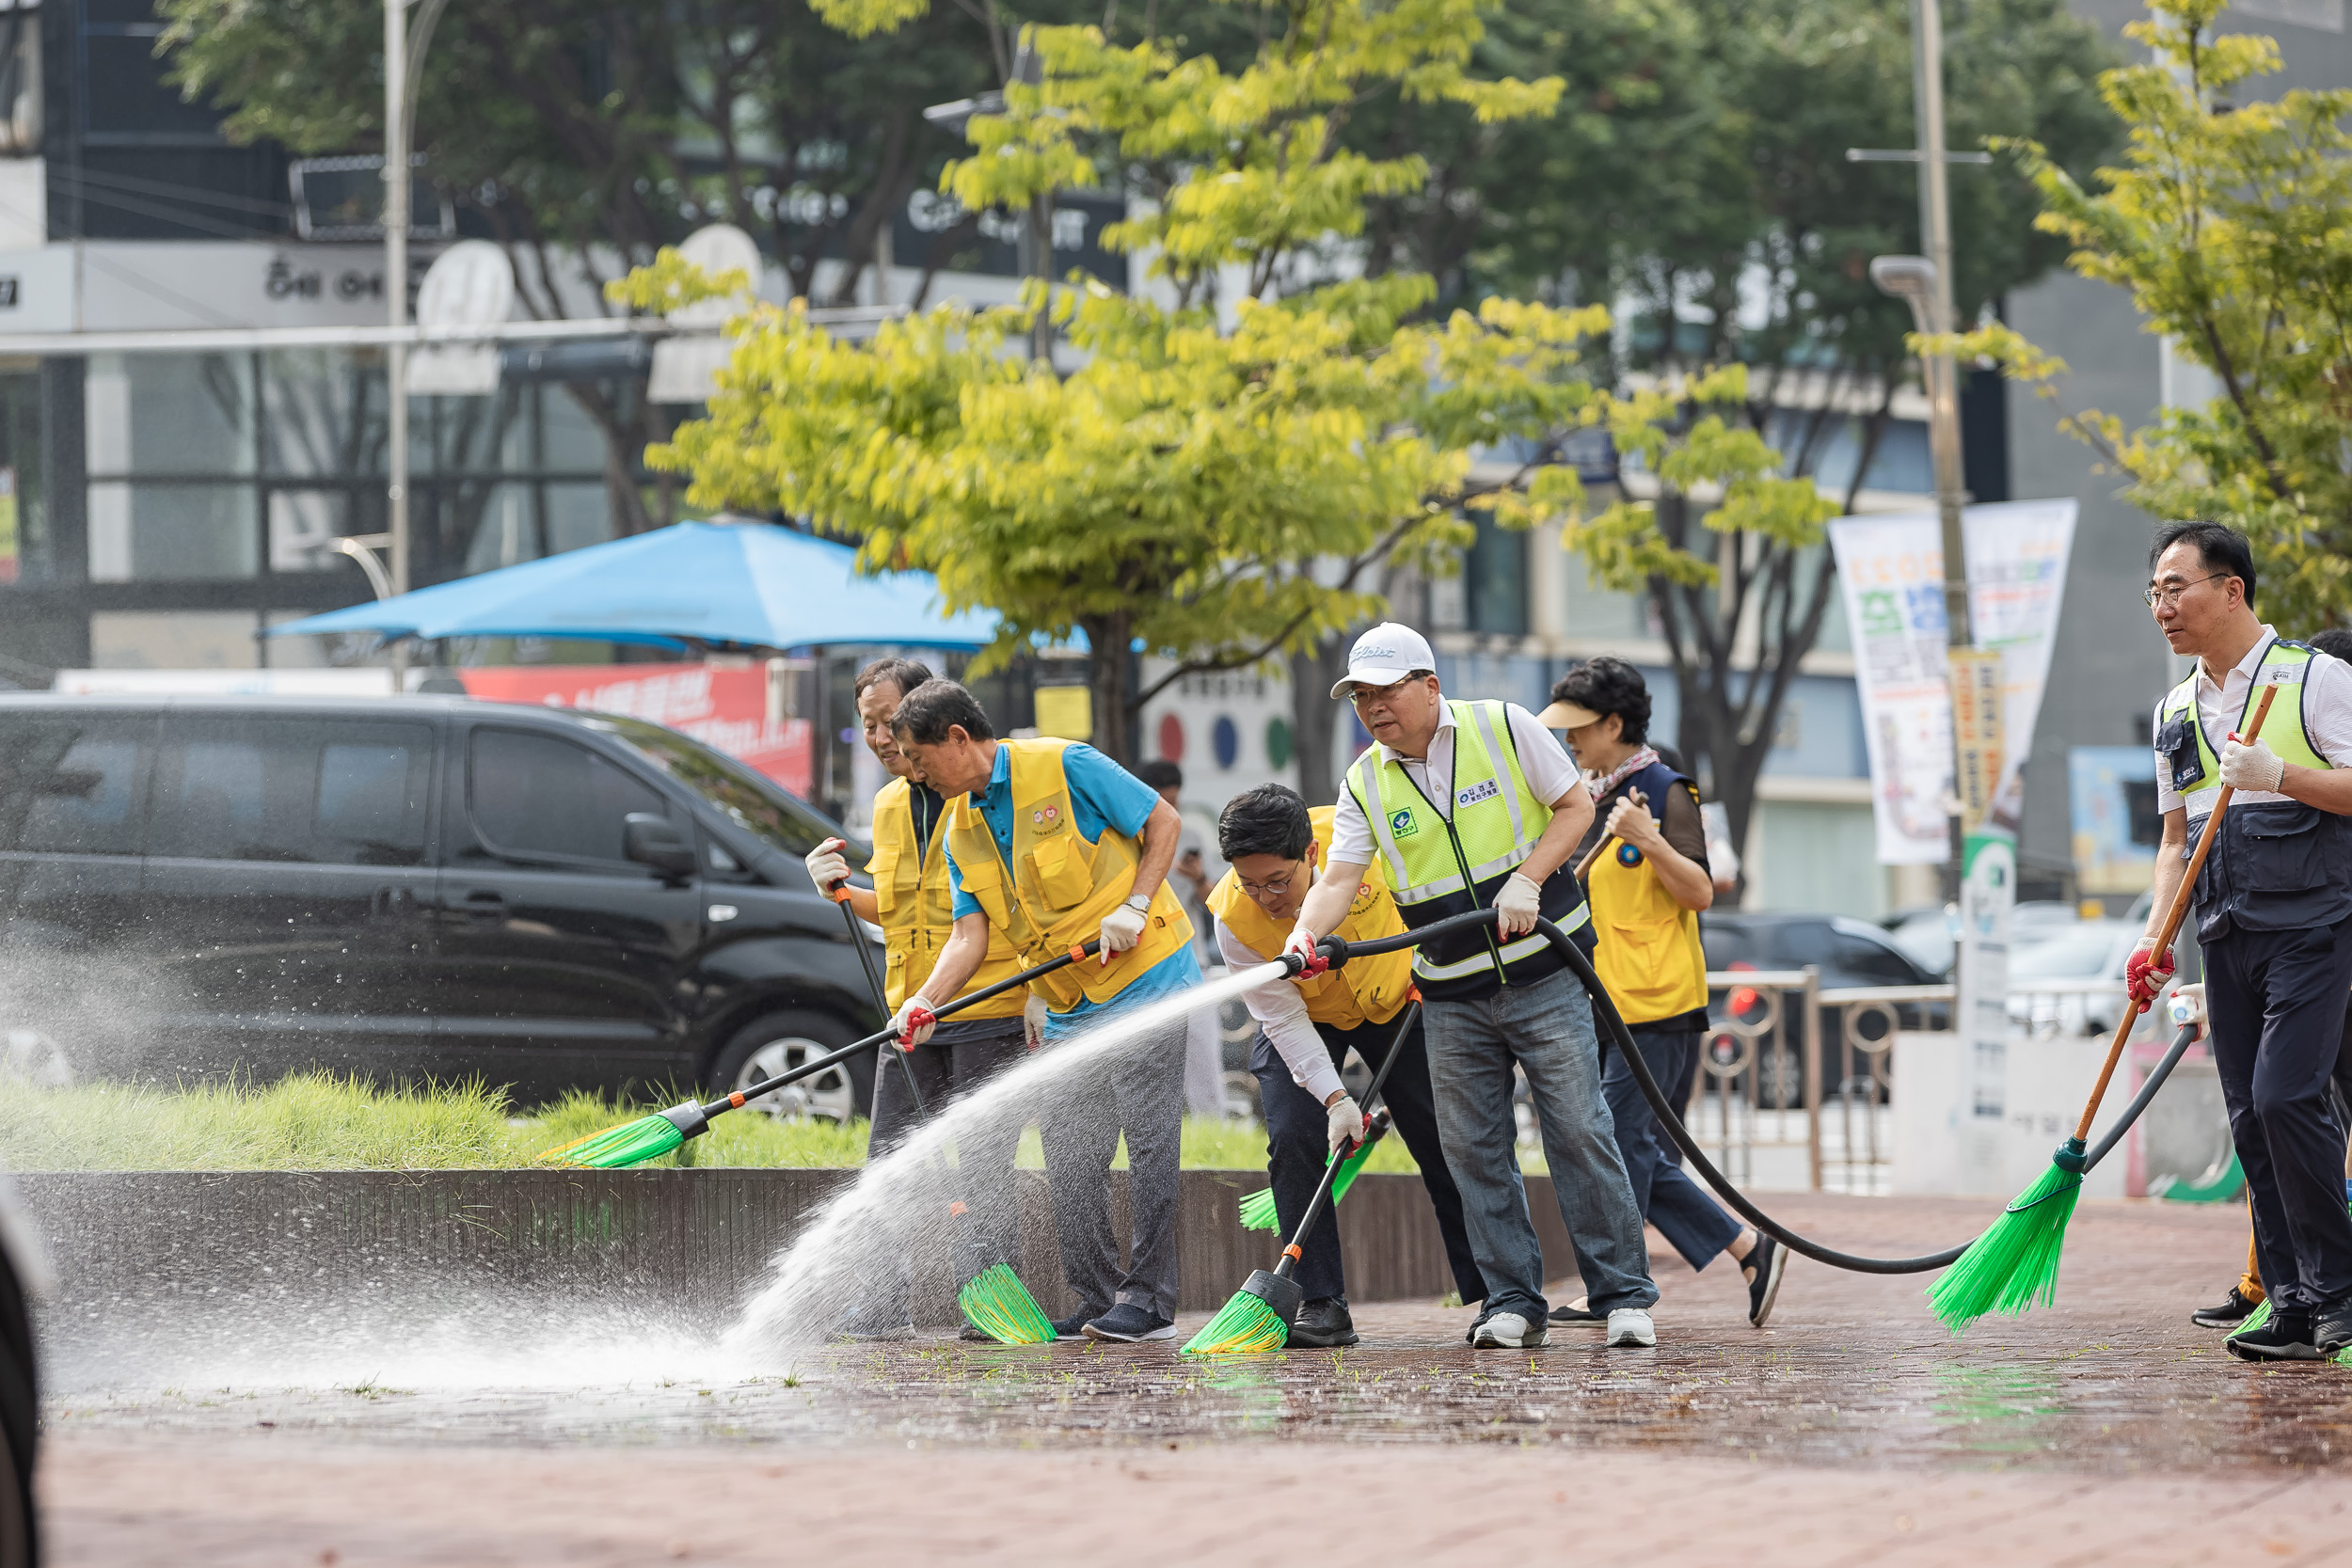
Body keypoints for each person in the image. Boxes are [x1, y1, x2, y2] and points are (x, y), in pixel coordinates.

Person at [1282, 623, 1661, 1350]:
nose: (1372, 707)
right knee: (1473, 1150)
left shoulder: (1505, 727)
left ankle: (1622, 1295)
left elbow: (1575, 809)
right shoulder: (1364, 778)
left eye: (1386, 690)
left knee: (1579, 1129)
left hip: (1545, 973)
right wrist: (1303, 934)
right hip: (1450, 992)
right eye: (1360, 696)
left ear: (1429, 685)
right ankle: (1512, 1299)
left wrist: (1529, 878)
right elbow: (1338, 877)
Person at [888, 679, 1200, 1343]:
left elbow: (1163, 824)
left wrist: (1137, 905)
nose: (915, 773)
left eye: (919, 758)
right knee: (1069, 1152)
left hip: (1146, 979)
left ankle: (1148, 1299)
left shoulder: (1065, 764)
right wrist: (926, 1000)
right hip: (1069, 1005)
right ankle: (1095, 1296)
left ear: (958, 738)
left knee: (1148, 1146)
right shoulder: (960, 830)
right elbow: (970, 936)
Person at [2133, 523, 2352, 1361]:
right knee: (2248, 1119)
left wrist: (2280, 775)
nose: (2163, 606)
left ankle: (2341, 1291)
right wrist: (2155, 939)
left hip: (2313, 928)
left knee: (2286, 1097)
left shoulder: (2312, 680)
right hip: (2224, 934)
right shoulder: (2175, 710)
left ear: (2232, 590)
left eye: (2176, 587)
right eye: (2153, 591)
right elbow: (2172, 841)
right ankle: (2291, 1301)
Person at [1539, 657, 1788, 1327]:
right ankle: (1719, 1254)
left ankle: (1724, 1251)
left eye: (1580, 730)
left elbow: (1700, 891)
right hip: (1600, 1002)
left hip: (1656, 1003)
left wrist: (1647, 839)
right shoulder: (1583, 799)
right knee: (1631, 1151)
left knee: (1620, 1149)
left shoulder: (1664, 788)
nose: (1570, 743)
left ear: (1615, 724)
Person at [802, 657, 1037, 1339]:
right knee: (887, 1162)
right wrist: (839, 889)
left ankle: (989, 1311)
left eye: (887, 722)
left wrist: (1035, 999)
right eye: (868, 724)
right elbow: (901, 911)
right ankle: (880, 1304)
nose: (878, 738)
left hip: (987, 1003)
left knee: (984, 1168)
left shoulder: (980, 790)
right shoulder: (886, 806)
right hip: (910, 1012)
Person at [1208, 784, 1486, 1345]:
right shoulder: (1232, 921)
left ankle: (1495, 1295)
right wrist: (1336, 1100)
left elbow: (1435, 899)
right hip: (1307, 1020)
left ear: (1310, 855)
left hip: (1400, 999)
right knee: (1292, 1137)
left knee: (1447, 1141)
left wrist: (1436, 969)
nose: (1266, 898)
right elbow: (1282, 1021)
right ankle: (1322, 1303)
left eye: (1278, 882)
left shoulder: (1364, 838)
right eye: (1250, 884)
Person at [1137, 758, 1228, 1119]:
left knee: (1204, 1056)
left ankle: (1214, 1127)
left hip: (1190, 964)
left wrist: (1199, 877)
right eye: (1163, 800)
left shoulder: (1187, 837)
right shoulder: (1124, 836)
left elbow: (1214, 905)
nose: (1170, 809)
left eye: (1175, 801)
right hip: (1142, 969)